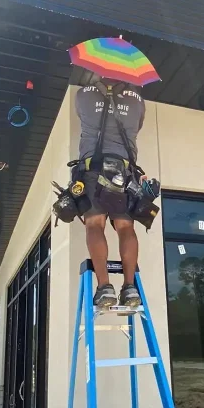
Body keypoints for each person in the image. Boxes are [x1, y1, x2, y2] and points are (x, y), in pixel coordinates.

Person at [75, 79, 145, 310]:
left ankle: (105, 287)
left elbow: (82, 116)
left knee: (95, 224)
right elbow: (138, 126)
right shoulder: (137, 101)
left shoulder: (84, 94)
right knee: (126, 227)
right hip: (124, 171)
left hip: (93, 169)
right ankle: (130, 287)